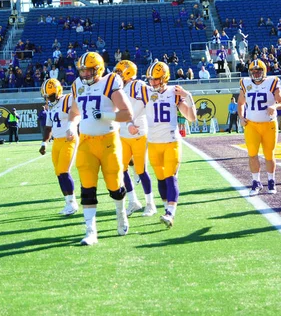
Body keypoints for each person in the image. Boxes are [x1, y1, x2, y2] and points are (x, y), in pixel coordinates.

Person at [65, 52, 133, 246]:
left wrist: (105, 115)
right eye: (82, 70)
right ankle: (91, 231)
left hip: (108, 140)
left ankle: (121, 214)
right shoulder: (78, 86)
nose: (84, 74)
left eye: (88, 70)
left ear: (98, 69)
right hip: (86, 142)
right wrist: (71, 125)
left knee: (114, 184)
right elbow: (74, 111)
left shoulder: (110, 82)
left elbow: (127, 113)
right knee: (87, 187)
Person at [133, 62, 197, 228]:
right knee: (161, 179)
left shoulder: (174, 92)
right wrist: (129, 124)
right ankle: (166, 209)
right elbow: (134, 113)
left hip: (171, 142)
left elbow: (191, 118)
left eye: (156, 79)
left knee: (171, 177)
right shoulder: (146, 93)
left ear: (164, 78)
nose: (153, 83)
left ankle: (170, 212)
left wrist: (188, 97)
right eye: (151, 80)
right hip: (154, 143)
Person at [113, 60, 156, 217]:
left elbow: (150, 100)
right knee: (122, 169)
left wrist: (135, 119)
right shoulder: (119, 88)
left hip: (138, 132)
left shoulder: (138, 85)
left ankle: (150, 204)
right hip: (123, 133)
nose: (117, 75)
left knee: (141, 170)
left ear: (128, 72)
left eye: (119, 72)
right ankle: (133, 201)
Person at [238, 60, 281, 196]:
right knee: (252, 154)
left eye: (258, 71)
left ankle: (271, 180)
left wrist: (275, 106)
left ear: (264, 71)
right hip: (251, 125)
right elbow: (241, 103)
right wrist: (241, 117)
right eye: (253, 71)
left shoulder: (272, 82)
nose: (256, 74)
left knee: (269, 155)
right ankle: (256, 182)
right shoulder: (245, 83)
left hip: (269, 124)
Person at [39, 79, 79, 215]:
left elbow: (77, 115)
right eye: (46, 96)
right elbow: (48, 126)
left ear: (58, 92)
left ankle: (73, 203)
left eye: (49, 95)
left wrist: (72, 128)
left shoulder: (68, 100)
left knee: (63, 170)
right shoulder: (51, 106)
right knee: (58, 173)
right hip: (57, 141)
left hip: (69, 140)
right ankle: (68, 202)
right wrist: (44, 142)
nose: (48, 99)